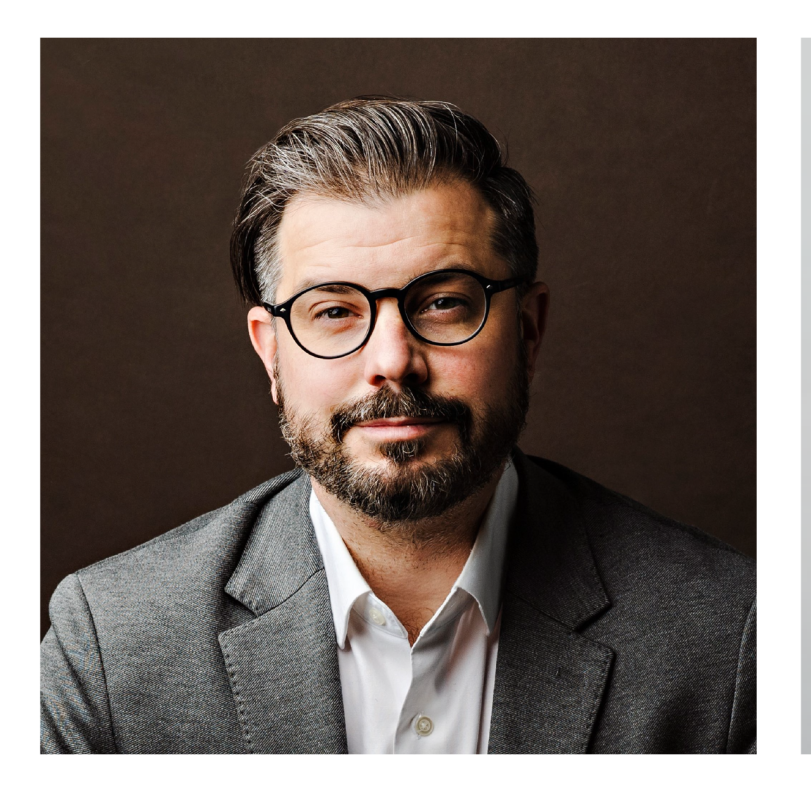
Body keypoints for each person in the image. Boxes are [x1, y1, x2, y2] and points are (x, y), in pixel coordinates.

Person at [37, 97, 755, 754]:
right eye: (334, 310)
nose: (392, 362)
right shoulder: (111, 640)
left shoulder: (728, 634)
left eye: (444, 303)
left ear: (529, 332)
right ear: (271, 352)